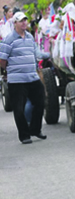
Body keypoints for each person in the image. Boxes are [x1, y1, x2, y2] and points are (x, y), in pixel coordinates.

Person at [0, 12, 50, 144]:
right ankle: (24, 135)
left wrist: (49, 54)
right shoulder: (9, 39)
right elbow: (2, 60)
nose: (24, 23)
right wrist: (12, 69)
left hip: (32, 77)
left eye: (25, 20)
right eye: (21, 21)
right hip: (17, 80)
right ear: (15, 23)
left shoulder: (29, 37)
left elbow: (36, 53)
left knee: (40, 100)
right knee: (19, 108)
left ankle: (35, 129)